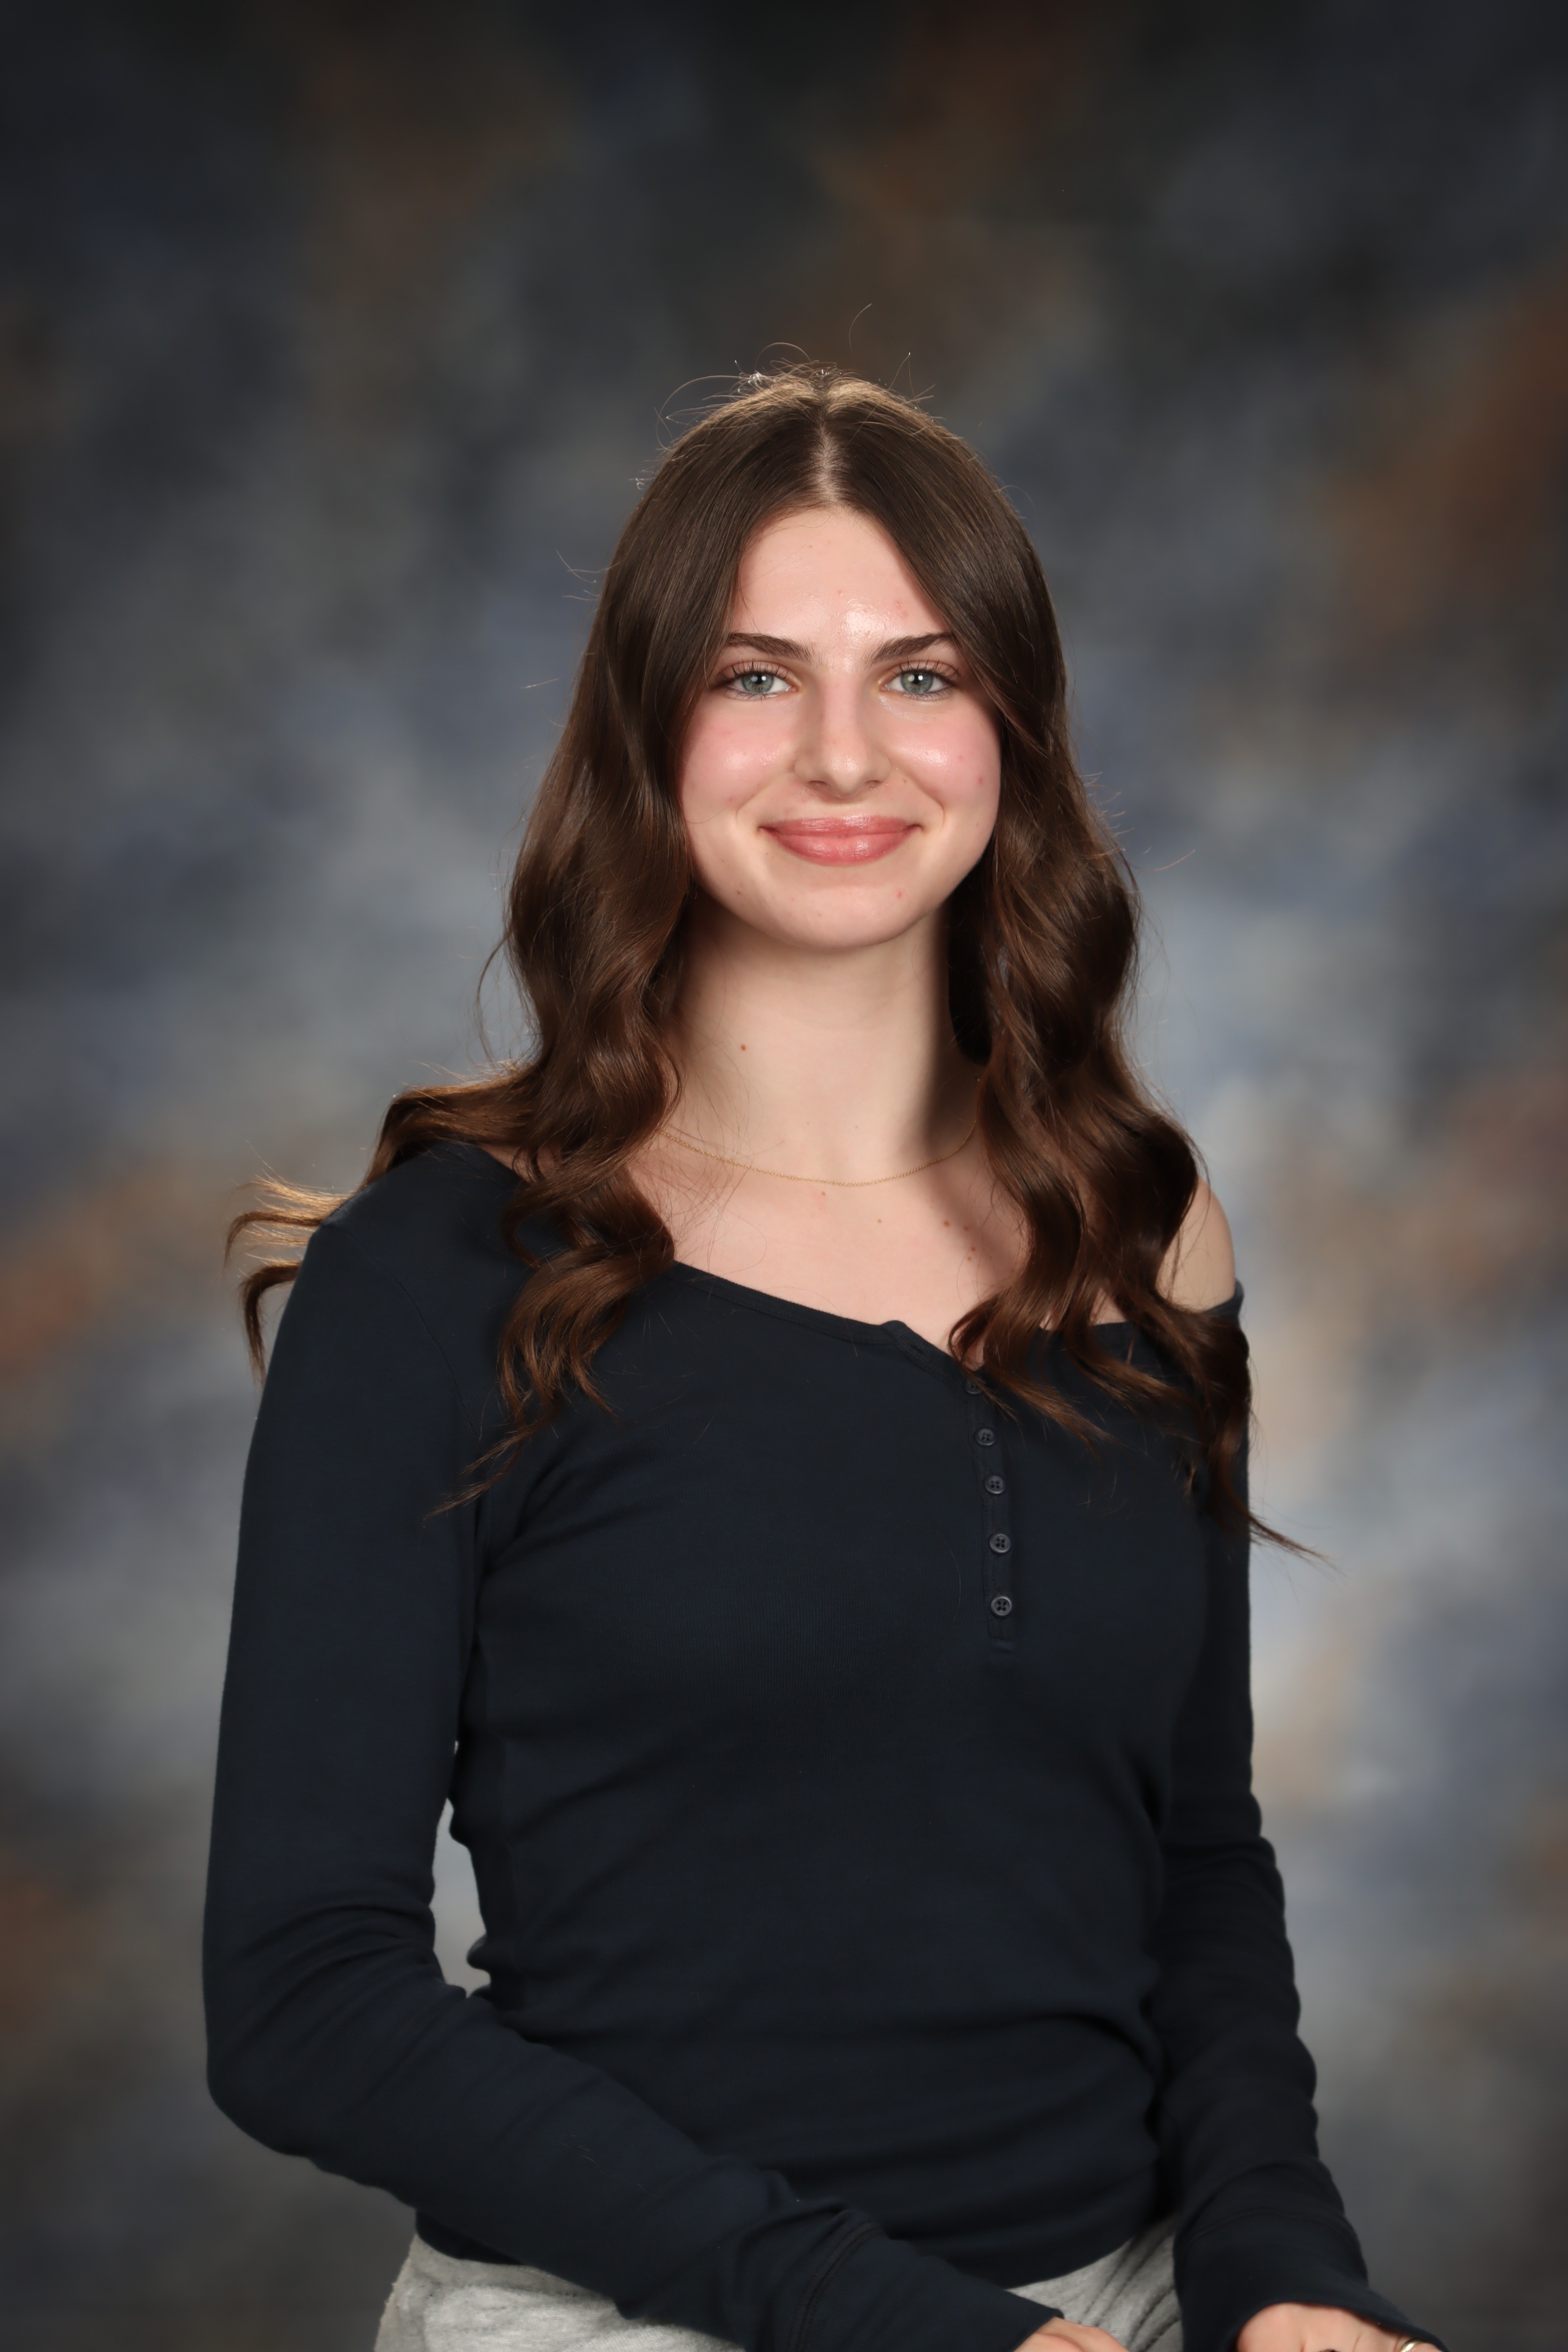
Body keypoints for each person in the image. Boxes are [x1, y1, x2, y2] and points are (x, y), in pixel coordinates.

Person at [204, 366, 1440, 2352]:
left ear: (1011, 730)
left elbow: (1193, 1857)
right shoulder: (442, 1273)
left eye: (920, 675)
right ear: (645, 729)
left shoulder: (1143, 1227)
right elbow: (302, 2001)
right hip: (638, 2311)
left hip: (1126, 2302)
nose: (844, 753)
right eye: (755, 676)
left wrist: (1285, 2274)